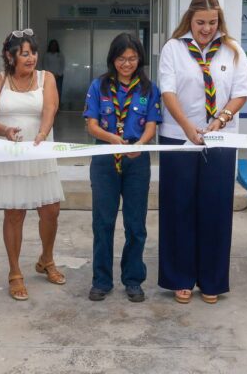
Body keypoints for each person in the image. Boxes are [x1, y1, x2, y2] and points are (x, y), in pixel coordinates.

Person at [157, 0, 247, 304]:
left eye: (212, 23)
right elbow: (168, 92)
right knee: (178, 208)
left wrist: (222, 118)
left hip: (220, 139)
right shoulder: (173, 48)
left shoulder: (232, 50)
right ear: (190, 20)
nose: (206, 29)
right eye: (200, 22)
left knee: (215, 208)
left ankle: (211, 280)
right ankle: (180, 278)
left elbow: (242, 92)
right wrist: (187, 127)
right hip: (178, 136)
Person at [0, 29, 66, 301]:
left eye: (33, 53)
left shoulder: (47, 78)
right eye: (25, 53)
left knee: (51, 210)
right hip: (10, 155)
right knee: (14, 214)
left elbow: (50, 109)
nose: (31, 58)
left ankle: (46, 260)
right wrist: (4, 130)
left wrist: (41, 134)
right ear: (10, 55)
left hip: (40, 152)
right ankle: (15, 272)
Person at [83, 33, 162, 303]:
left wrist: (139, 143)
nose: (126, 63)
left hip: (136, 160)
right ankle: (101, 280)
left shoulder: (149, 89)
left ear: (139, 58)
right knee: (103, 222)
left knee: (135, 224)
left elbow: (151, 124)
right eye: (121, 58)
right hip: (105, 157)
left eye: (131, 58)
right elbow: (91, 125)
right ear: (112, 59)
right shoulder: (99, 86)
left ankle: (133, 279)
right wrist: (112, 140)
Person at [43, 39, 65, 103]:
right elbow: (45, 65)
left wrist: (58, 74)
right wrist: (51, 75)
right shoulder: (46, 55)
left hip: (59, 76)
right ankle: (50, 105)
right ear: (50, 46)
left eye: (55, 45)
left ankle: (58, 106)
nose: (53, 46)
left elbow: (62, 65)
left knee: (58, 91)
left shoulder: (60, 55)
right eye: (52, 45)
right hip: (49, 77)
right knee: (49, 91)